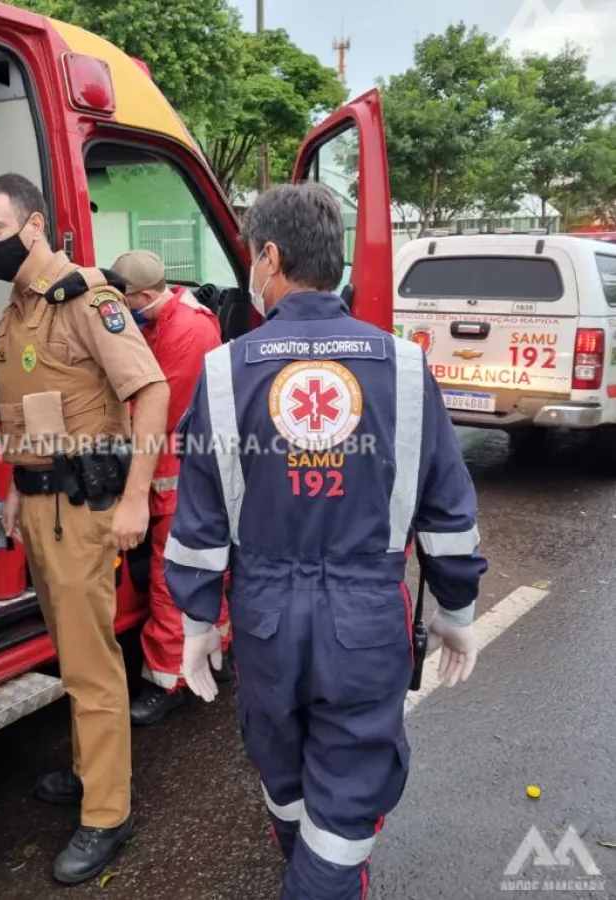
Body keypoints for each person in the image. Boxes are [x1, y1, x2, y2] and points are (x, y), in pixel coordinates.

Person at [163, 183, 488, 899]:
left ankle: (316, 872)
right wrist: (455, 611)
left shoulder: (223, 372)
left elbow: (199, 523)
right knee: (345, 801)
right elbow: (447, 511)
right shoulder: (404, 366)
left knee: (283, 774)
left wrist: (194, 623)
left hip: (264, 620)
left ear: (270, 257)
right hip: (366, 618)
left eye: (252, 254)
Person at [0, 173, 169, 884]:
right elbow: (29, 417)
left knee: (90, 668)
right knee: (73, 658)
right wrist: (21, 491)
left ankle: (108, 814)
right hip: (43, 506)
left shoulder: (86, 297)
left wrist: (136, 502)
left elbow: (150, 390)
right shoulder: (18, 309)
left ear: (31, 227)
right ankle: (91, 775)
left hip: (87, 511)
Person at [109, 250, 232, 726]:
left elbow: (159, 412)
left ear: (142, 296)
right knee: (200, 569)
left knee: (169, 576)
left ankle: (168, 681)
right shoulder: (169, 317)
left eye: (125, 302)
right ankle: (215, 648)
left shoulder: (188, 331)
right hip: (180, 472)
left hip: (179, 474)